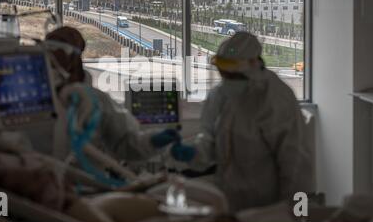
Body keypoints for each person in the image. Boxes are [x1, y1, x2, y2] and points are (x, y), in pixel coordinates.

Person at [172, 31, 313, 212]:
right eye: (224, 74)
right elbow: (210, 142)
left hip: (268, 205)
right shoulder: (219, 96)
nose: (227, 80)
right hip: (228, 198)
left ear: (253, 66)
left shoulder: (276, 99)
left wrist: (295, 213)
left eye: (232, 75)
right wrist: (194, 152)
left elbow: (296, 165)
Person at [45, 26, 181, 163]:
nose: (52, 62)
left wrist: (153, 141)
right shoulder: (34, 102)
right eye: (48, 52)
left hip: (89, 182)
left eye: (59, 53)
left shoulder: (97, 102)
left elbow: (125, 144)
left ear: (74, 59)